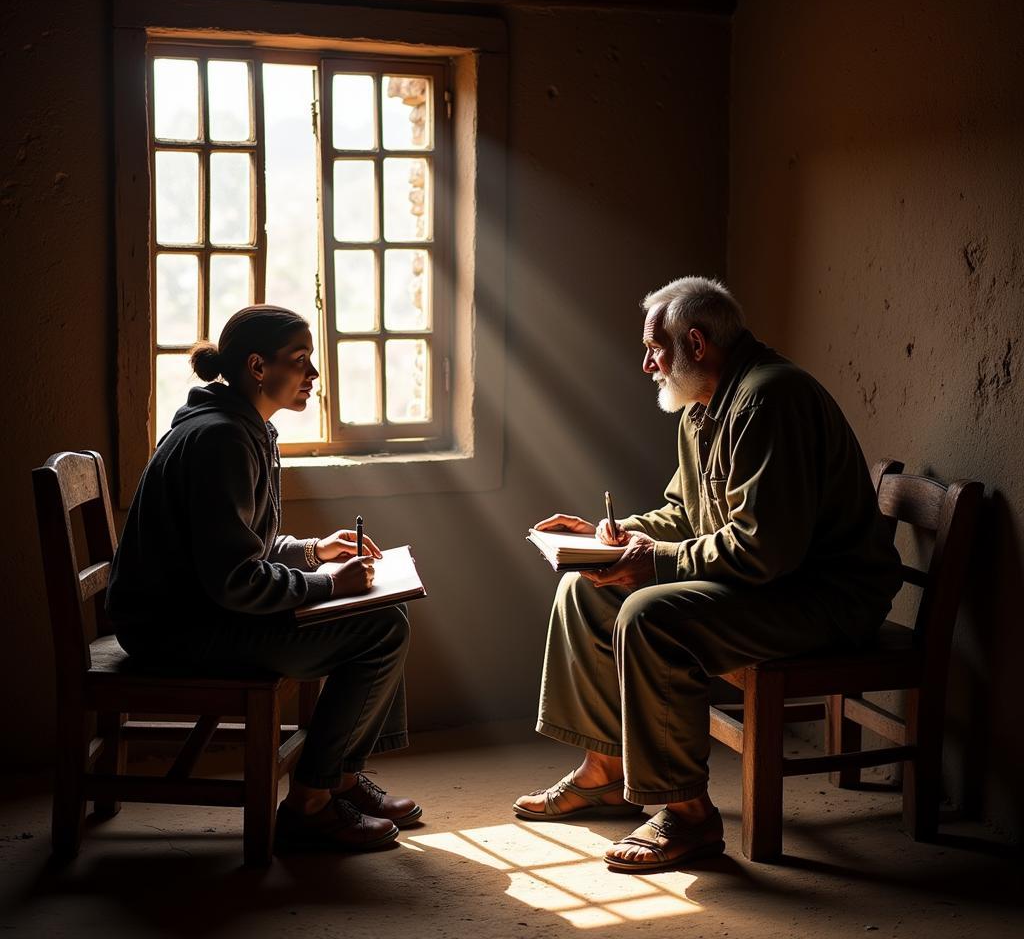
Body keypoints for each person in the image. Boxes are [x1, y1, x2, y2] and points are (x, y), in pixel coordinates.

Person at [514, 276, 903, 872]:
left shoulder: (771, 400)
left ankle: (688, 816)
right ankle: (605, 770)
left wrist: (651, 563)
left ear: (696, 343)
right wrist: (605, 537)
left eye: (655, 349)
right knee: (585, 588)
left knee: (650, 617)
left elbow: (763, 553)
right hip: (769, 586)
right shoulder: (703, 408)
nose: (647, 365)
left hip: (822, 600)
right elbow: (683, 513)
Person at [107, 304, 419, 852]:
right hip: (180, 631)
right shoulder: (221, 441)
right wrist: (327, 585)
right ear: (257, 366)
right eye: (301, 362)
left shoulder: (241, 428)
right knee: (382, 626)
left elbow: (234, 545)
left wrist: (310, 551)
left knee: (381, 610)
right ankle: (311, 804)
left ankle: (340, 779)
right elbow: (235, 580)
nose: (313, 376)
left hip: (201, 611)